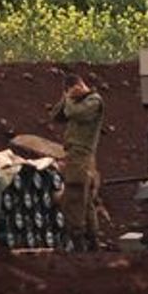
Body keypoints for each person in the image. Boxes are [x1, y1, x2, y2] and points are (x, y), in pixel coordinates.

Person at [50, 73, 105, 251]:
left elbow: (74, 113)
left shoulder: (94, 101)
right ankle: (93, 243)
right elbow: (56, 115)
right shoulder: (77, 102)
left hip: (81, 156)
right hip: (76, 156)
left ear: (80, 86)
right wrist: (66, 97)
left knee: (74, 198)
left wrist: (70, 99)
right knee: (85, 201)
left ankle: (80, 242)